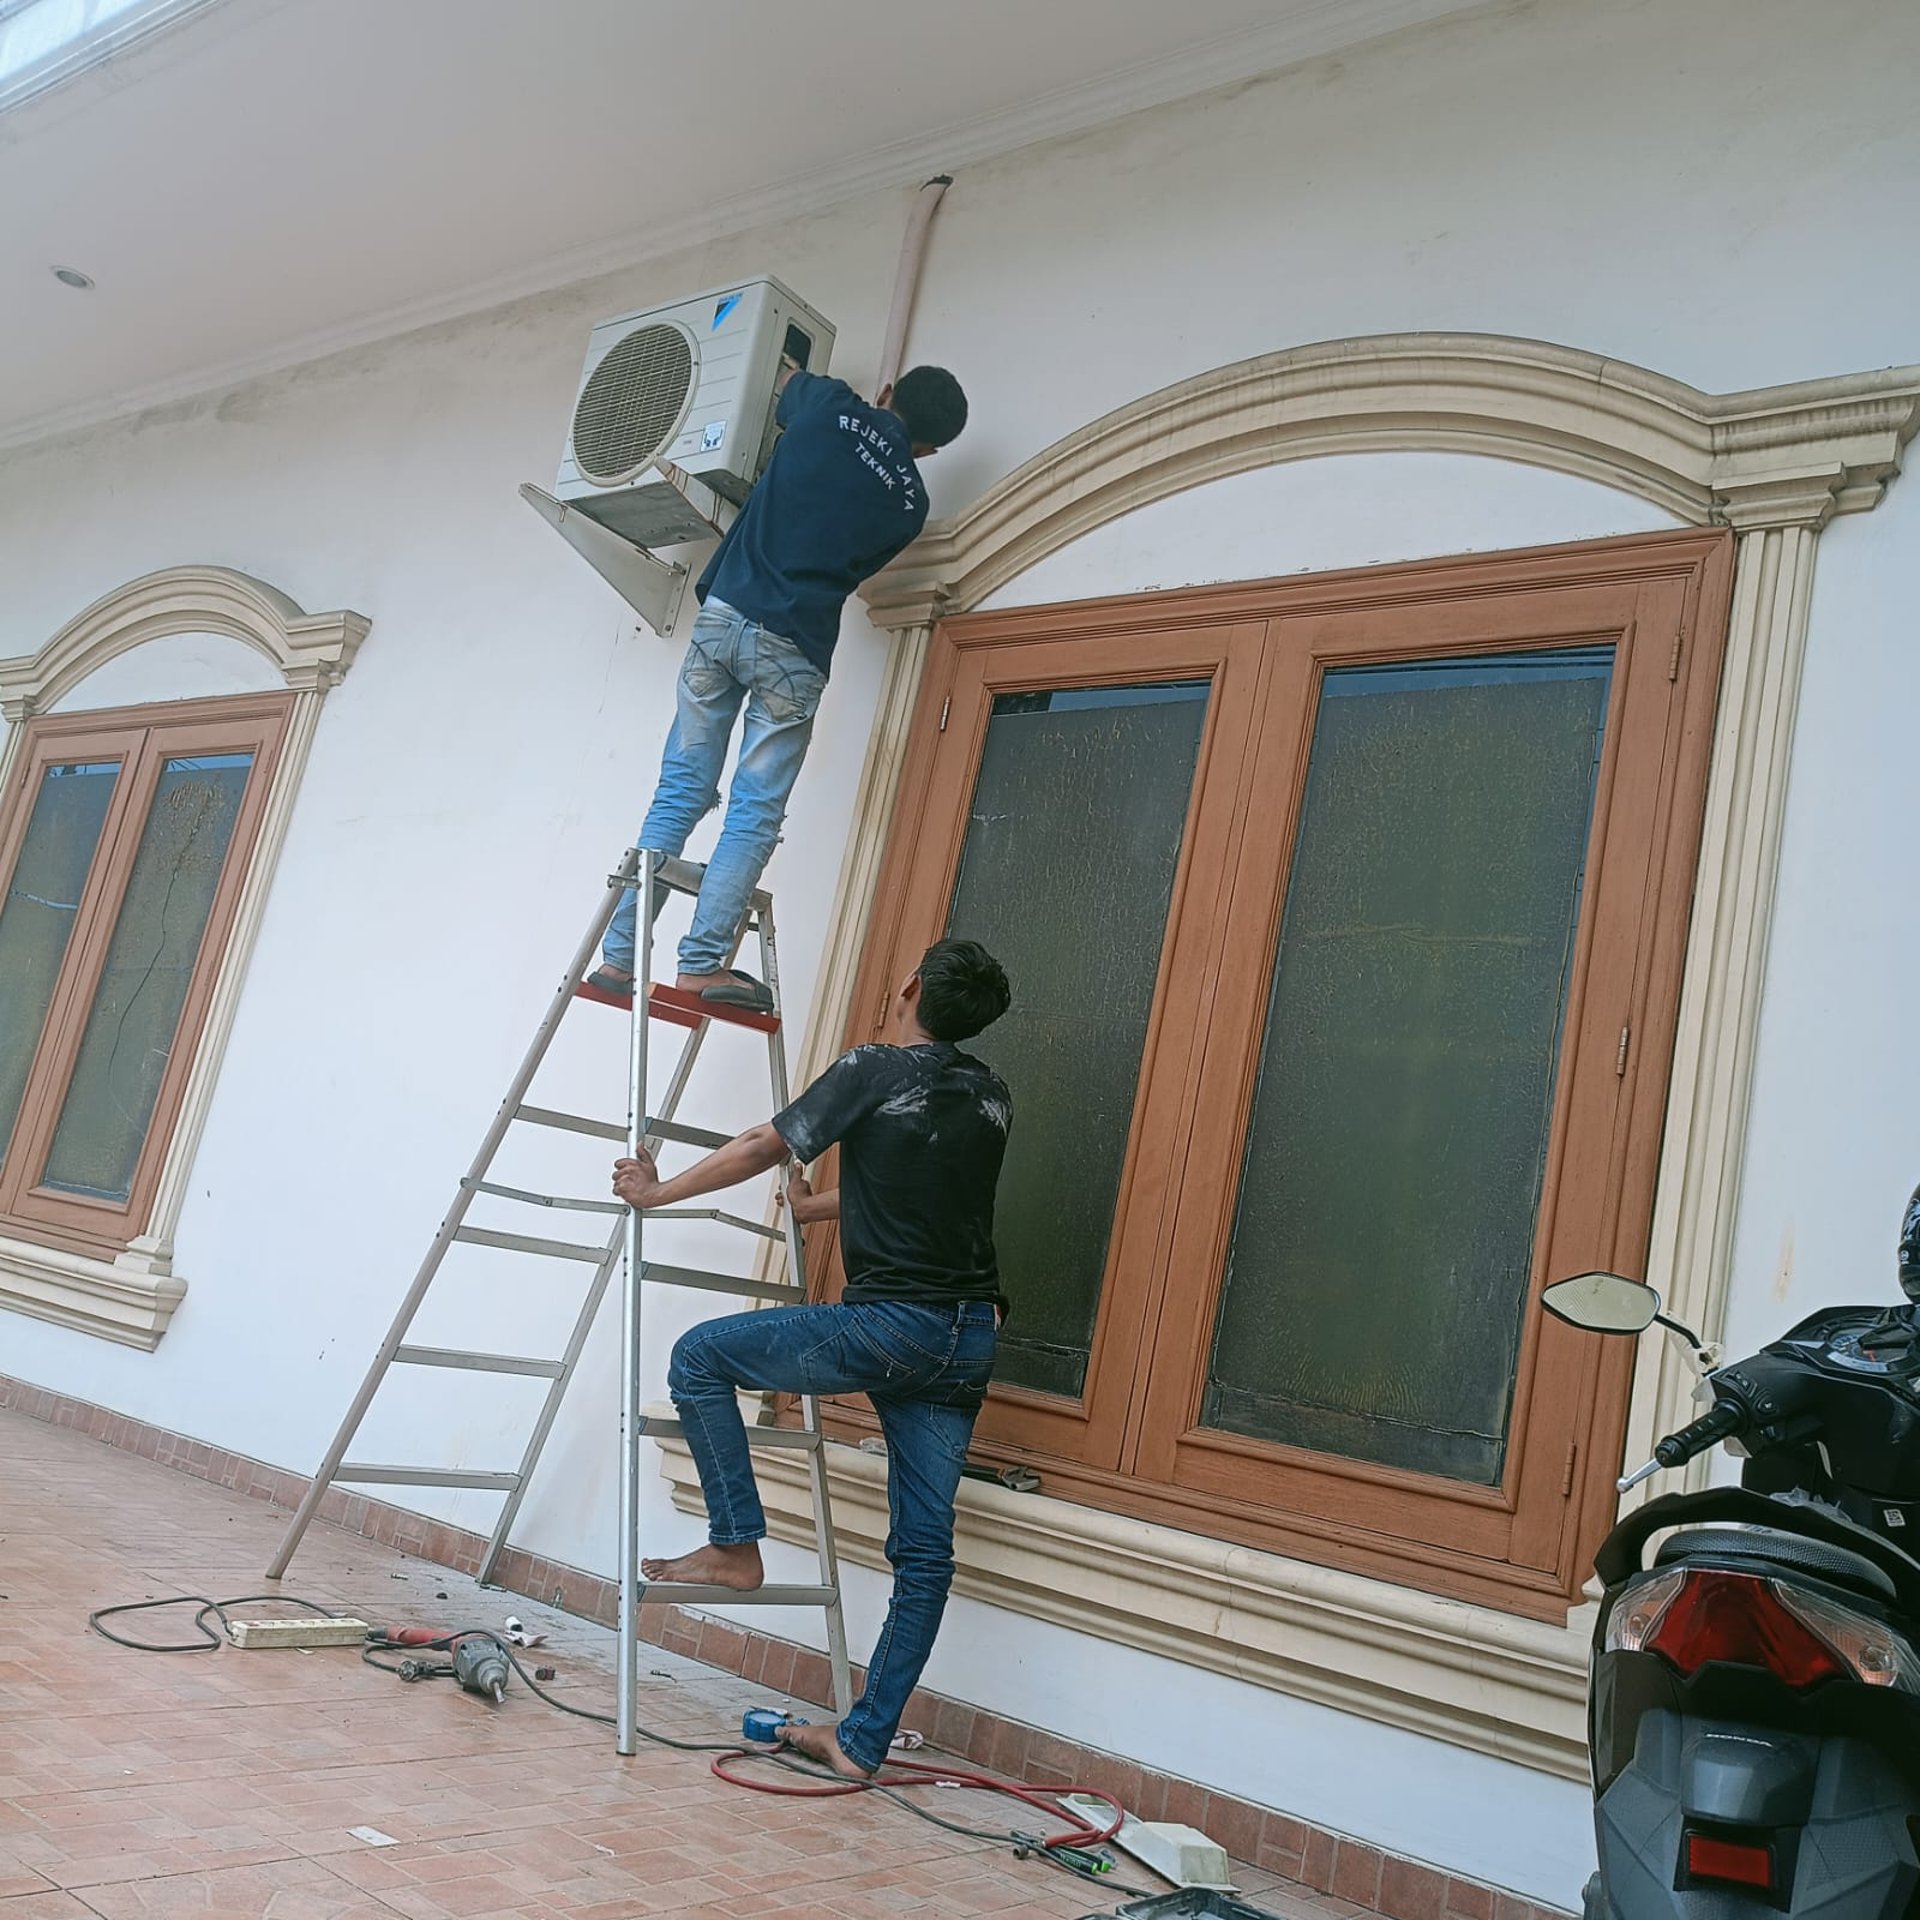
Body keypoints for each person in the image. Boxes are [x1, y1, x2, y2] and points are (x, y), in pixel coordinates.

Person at [610, 936, 1013, 1777]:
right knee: (925, 1556)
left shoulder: (874, 1066)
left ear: (909, 985)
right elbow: (921, 1188)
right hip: (967, 1337)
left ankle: (735, 1545)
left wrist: (657, 1192)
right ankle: (861, 1745)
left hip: (895, 1327)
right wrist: (812, 1209)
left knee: (698, 1358)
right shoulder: (991, 1096)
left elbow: (764, 1143)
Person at [589, 364, 970, 1012]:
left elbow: (788, 384)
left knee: (681, 788)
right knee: (753, 810)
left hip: (725, 615)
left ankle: (618, 957)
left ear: (888, 393)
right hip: (796, 647)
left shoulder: (826, 406)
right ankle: (701, 965)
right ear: (930, 449)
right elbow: (856, 566)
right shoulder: (911, 503)